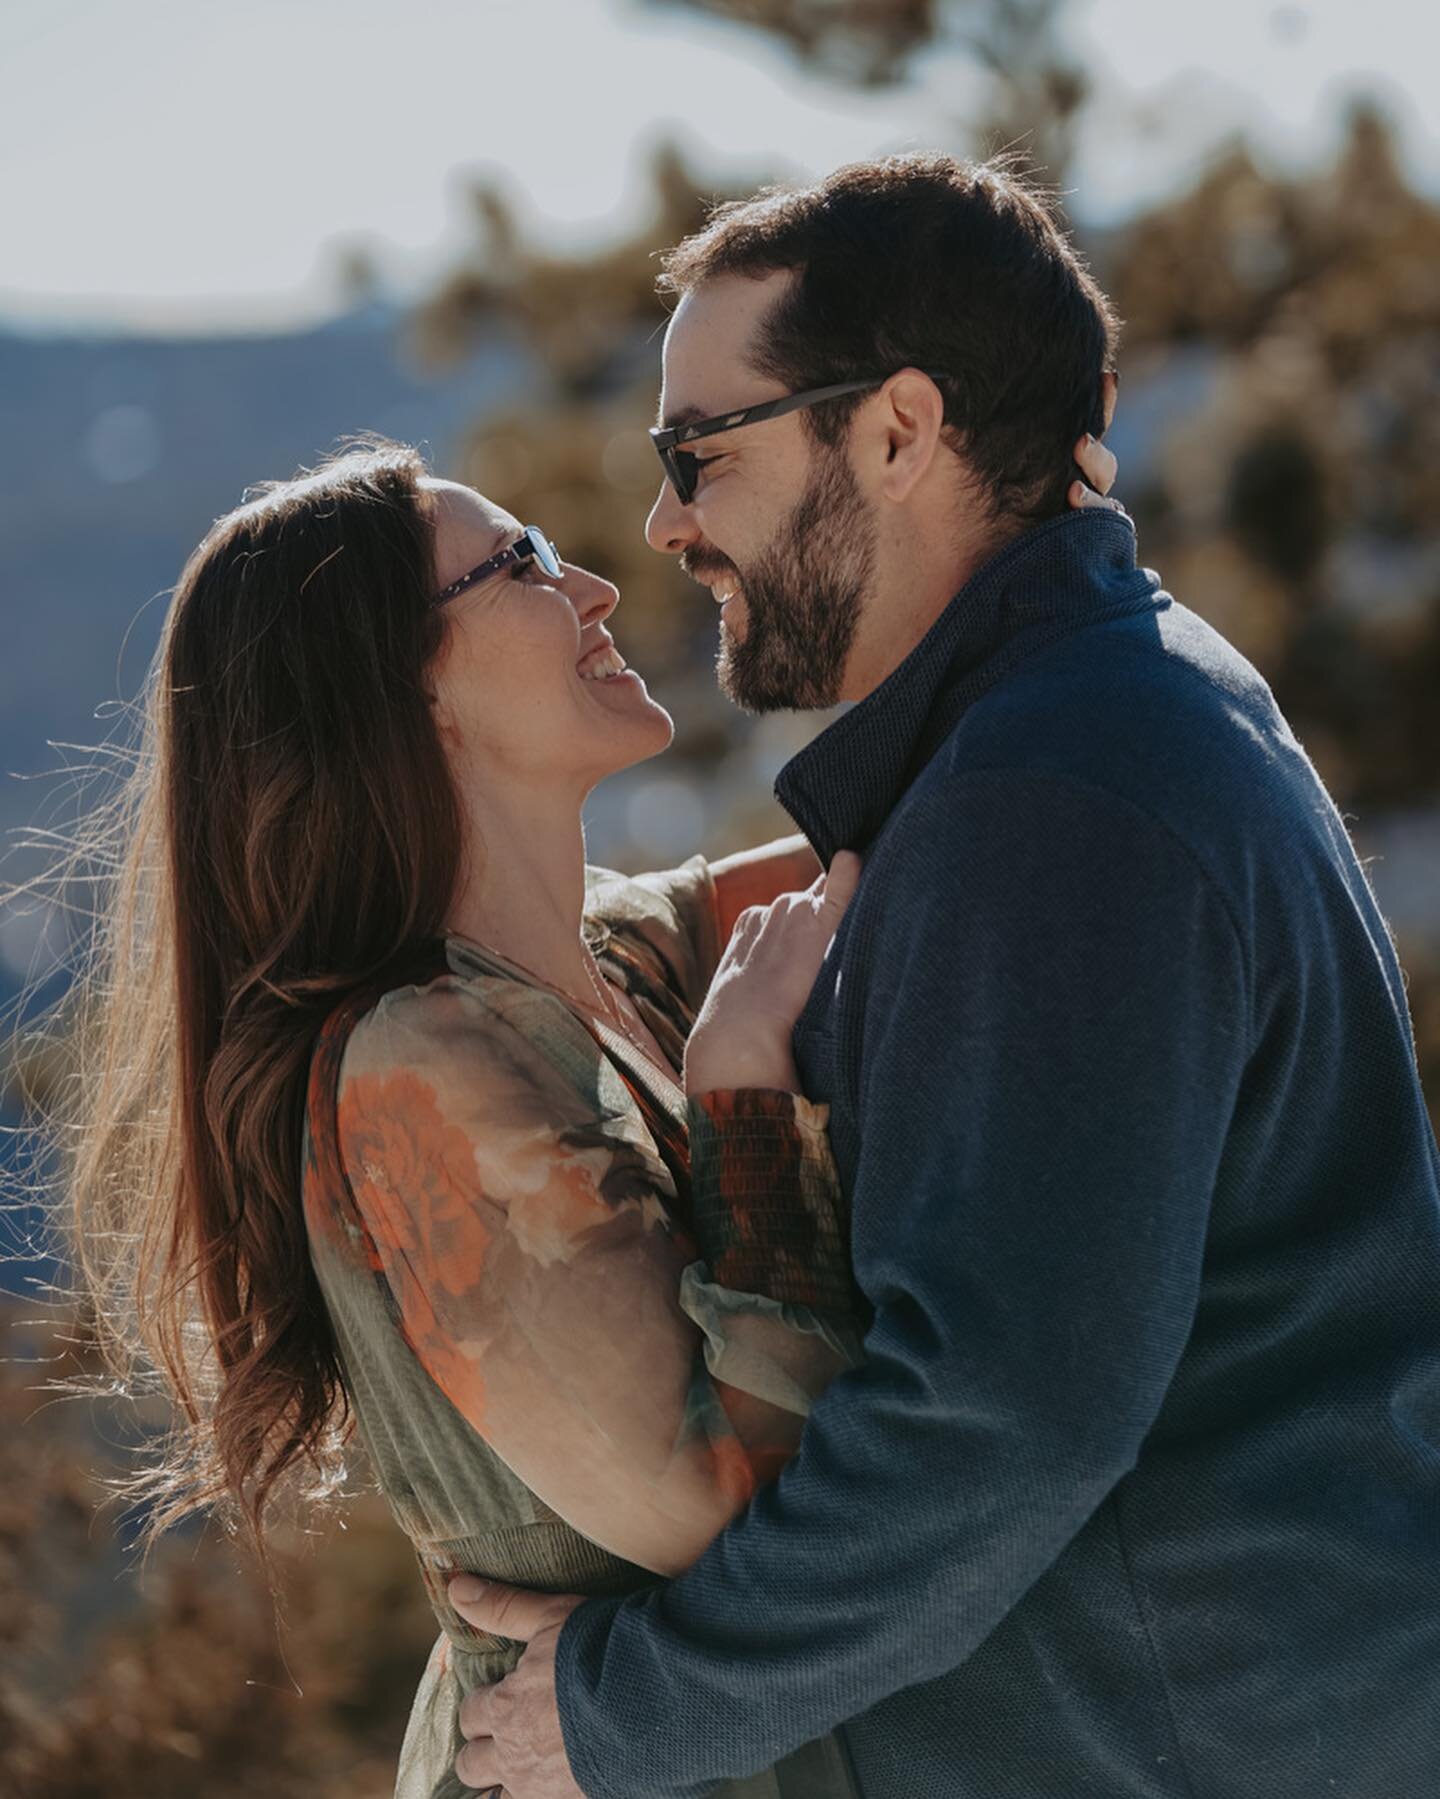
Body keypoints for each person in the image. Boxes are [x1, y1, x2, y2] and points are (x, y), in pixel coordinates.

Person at [443, 155, 1440, 1799]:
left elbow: (998, 1418)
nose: (666, 518)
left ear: (897, 432)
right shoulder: (1109, 707)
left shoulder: (1049, 795)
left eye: (700, 450)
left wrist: (634, 1709)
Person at [39, 409, 1118, 1798]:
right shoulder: (410, 1068)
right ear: (402, 687)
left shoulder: (608, 963)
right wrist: (742, 1103)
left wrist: (1059, 567)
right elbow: (739, 1514)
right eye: (525, 564)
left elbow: (920, 823)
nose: (598, 585)